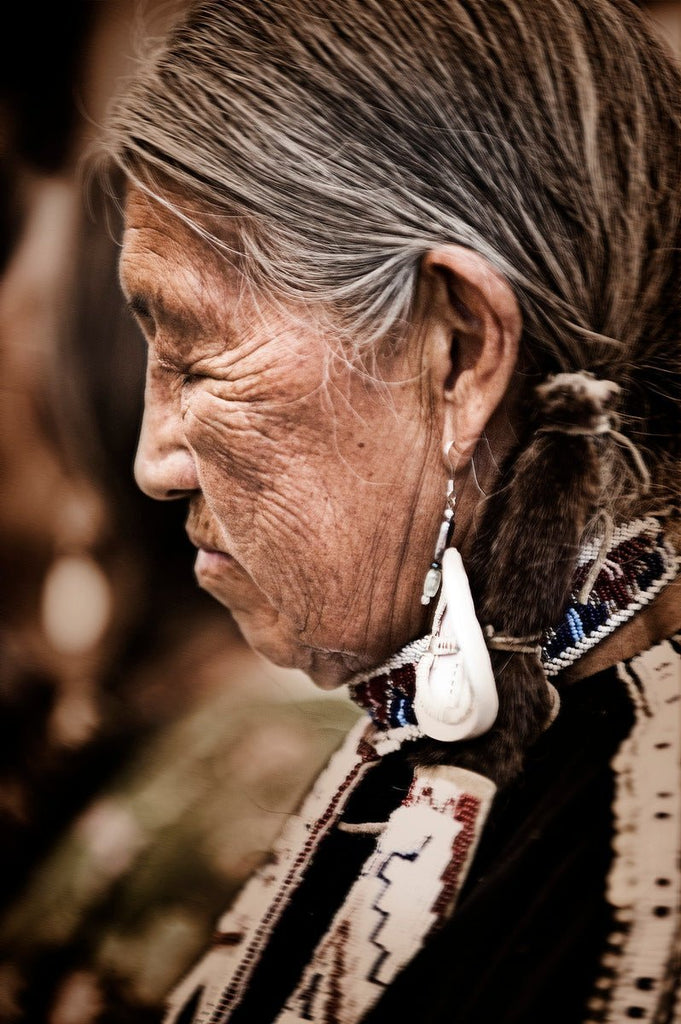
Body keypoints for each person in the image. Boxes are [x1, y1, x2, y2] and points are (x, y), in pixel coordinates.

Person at [99, 0, 681, 1020]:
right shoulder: (463, 724)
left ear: (457, 351)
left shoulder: (624, 858)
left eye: (195, 358)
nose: (156, 462)